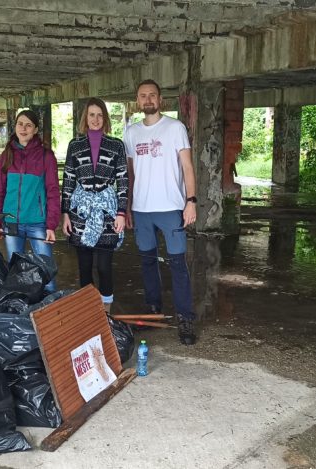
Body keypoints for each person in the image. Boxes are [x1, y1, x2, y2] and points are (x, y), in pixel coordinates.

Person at [123, 79, 197, 345]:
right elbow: (130, 174)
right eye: (143, 96)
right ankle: (153, 310)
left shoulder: (175, 128)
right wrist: (127, 206)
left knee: (178, 264)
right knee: (147, 262)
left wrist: (191, 200)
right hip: (142, 209)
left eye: (152, 95)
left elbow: (187, 167)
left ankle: (185, 318)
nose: (148, 100)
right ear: (137, 100)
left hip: (170, 207)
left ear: (160, 99)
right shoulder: (131, 133)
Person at [61, 98, 128, 313]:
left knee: (104, 266)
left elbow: (123, 180)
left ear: (105, 118)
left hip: (107, 211)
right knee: (84, 264)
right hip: (80, 211)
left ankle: (106, 309)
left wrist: (121, 213)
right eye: (91, 115)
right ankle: (87, 310)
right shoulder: (75, 145)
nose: (96, 119)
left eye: (100, 115)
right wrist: (65, 213)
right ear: (85, 118)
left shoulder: (116, 145)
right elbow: (69, 178)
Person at [0, 110, 60, 291]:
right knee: (16, 273)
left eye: (29, 125)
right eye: (20, 123)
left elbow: (53, 191)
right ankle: (22, 314)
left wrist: (51, 225)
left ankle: (49, 313)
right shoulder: (7, 154)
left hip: (38, 223)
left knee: (47, 272)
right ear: (15, 126)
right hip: (11, 222)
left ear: (35, 129)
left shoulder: (46, 156)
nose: (24, 128)